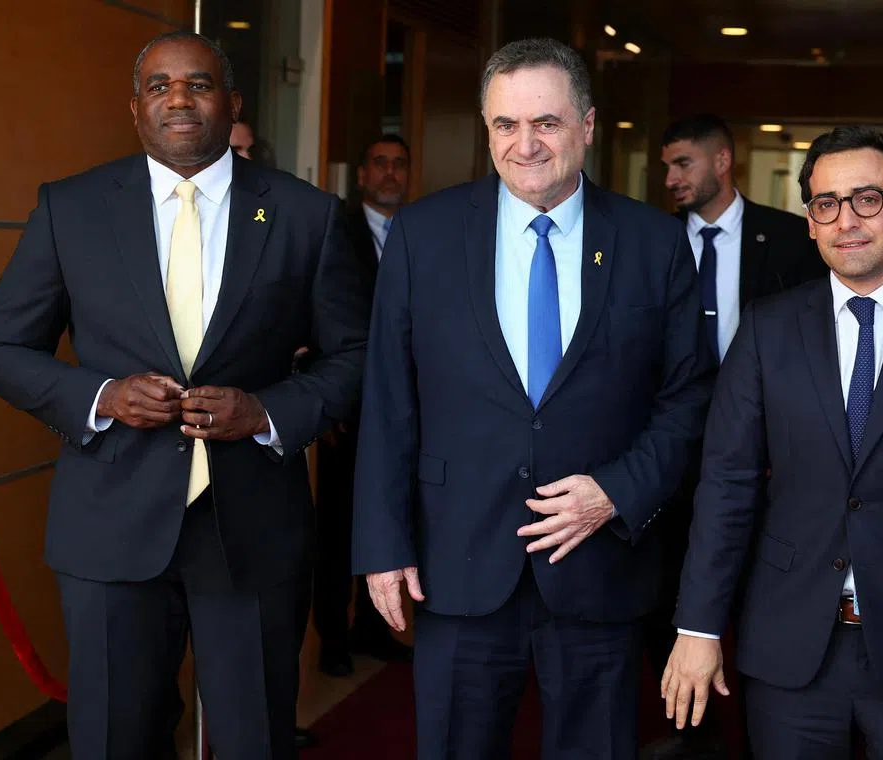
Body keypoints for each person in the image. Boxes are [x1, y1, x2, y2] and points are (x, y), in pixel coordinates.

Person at [0, 31, 369, 759]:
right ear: (135, 110)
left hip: (251, 532)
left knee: (255, 741)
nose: (179, 99)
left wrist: (267, 411)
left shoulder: (306, 215)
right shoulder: (72, 208)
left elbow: (356, 357)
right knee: (115, 741)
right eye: (159, 86)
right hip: (109, 529)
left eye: (199, 83)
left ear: (232, 102)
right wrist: (102, 394)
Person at [352, 37, 715, 760]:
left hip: (600, 565)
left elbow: (689, 398)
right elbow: (390, 398)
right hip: (456, 560)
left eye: (545, 122)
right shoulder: (425, 235)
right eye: (505, 126)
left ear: (586, 124)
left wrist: (615, 492)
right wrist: (382, 545)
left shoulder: (653, 243)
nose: (525, 144)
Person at [662, 125, 883, 760]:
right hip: (791, 645)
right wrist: (697, 625)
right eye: (826, 203)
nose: (846, 220)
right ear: (810, 221)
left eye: (867, 198)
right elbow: (727, 484)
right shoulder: (767, 331)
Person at [652, 114, 825, 760]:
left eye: (682, 164)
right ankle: (689, 732)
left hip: (770, 459)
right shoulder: (654, 241)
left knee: (764, 597)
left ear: (722, 162)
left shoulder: (789, 238)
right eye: (666, 167)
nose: (670, 179)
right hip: (672, 457)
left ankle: (765, 731)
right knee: (674, 595)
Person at [313, 134, 413, 675]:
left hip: (407, 408)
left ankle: (375, 628)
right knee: (335, 528)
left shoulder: (425, 234)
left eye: (400, 165)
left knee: (391, 516)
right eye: (380, 164)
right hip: (349, 409)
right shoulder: (337, 231)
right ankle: (331, 636)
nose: (390, 174)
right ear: (362, 175)